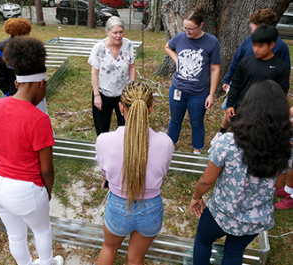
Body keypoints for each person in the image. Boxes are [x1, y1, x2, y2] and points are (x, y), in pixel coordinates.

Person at [189, 80, 293, 265]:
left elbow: (207, 180)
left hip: (219, 214)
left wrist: (197, 197)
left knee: (203, 241)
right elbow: (278, 185)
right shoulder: (285, 149)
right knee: (233, 254)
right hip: (254, 221)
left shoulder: (227, 142)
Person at [0, 36, 63, 265]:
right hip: (25, 191)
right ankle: (47, 263)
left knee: (15, 234)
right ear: (41, 84)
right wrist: (48, 192)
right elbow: (47, 169)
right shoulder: (39, 119)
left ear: (16, 83)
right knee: (42, 231)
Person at [95, 81, 174, 264]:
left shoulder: (104, 140)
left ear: (121, 107)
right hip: (151, 209)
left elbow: (105, 171)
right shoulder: (166, 142)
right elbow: (162, 172)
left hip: (117, 206)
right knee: (136, 258)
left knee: (109, 248)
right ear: (151, 108)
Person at [220, 8, 290, 133]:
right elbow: (237, 60)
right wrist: (228, 78)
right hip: (242, 86)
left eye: (254, 24)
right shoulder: (249, 40)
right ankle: (222, 132)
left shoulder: (281, 47)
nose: (251, 25)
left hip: (262, 95)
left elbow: (283, 75)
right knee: (229, 108)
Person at [165, 7, 220, 154]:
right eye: (185, 28)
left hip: (199, 92)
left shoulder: (212, 42)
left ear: (201, 25)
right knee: (175, 120)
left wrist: (211, 94)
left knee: (196, 123)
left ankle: (197, 150)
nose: (188, 32)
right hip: (178, 88)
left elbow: (215, 69)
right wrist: (177, 60)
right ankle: (170, 148)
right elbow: (168, 47)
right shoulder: (179, 37)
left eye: (191, 29)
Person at [88, 16, 136, 136]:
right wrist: (96, 95)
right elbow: (94, 72)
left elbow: (132, 67)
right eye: (115, 33)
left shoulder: (128, 45)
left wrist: (132, 89)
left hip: (123, 93)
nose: (118, 36)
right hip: (104, 93)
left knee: (125, 127)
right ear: (107, 32)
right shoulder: (98, 48)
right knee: (102, 129)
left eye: (121, 32)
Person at [0, 18, 51, 116]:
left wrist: (37, 93)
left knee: (39, 116)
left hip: (34, 93)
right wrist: (8, 93)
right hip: (11, 93)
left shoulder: (33, 48)